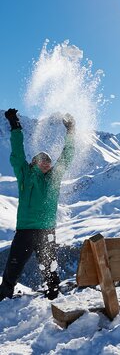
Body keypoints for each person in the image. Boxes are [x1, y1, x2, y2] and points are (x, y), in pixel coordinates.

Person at [0, 109, 75, 301]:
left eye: (48, 161)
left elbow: (66, 156)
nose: (46, 163)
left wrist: (71, 131)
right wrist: (15, 126)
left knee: (50, 266)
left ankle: (53, 295)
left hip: (46, 230)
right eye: (42, 160)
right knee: (14, 266)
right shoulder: (25, 174)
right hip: (25, 229)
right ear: (34, 162)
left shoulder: (54, 178)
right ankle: (3, 295)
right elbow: (17, 154)